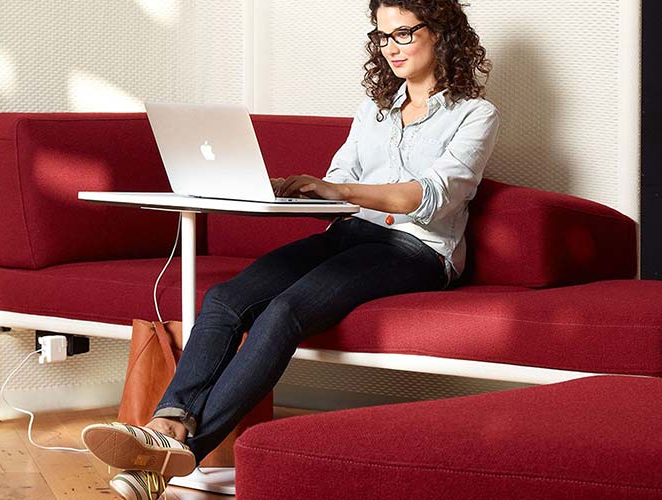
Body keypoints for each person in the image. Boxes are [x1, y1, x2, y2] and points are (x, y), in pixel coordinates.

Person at [80, 1, 497, 498]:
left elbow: (433, 195)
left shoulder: (475, 114)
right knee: (225, 299)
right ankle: (167, 424)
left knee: (283, 312)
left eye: (403, 33)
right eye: (383, 37)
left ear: (442, 33)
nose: (391, 48)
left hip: (419, 249)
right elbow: (343, 178)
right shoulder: (374, 111)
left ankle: (171, 455)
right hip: (352, 233)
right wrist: (289, 189)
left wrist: (341, 192)